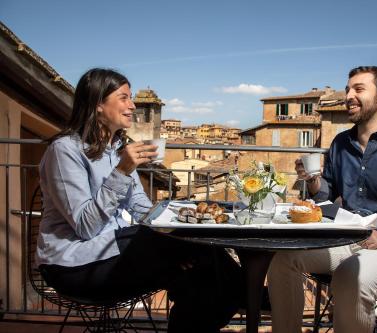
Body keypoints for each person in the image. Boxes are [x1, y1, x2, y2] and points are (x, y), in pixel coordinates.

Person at [35, 68, 243, 333]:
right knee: (196, 254)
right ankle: (248, 290)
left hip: (114, 254)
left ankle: (238, 289)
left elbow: (144, 210)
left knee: (199, 270)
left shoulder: (116, 151)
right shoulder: (64, 151)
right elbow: (86, 227)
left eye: (131, 98)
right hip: (73, 266)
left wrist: (186, 214)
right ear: (98, 104)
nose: (131, 105)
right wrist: (122, 171)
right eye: (123, 98)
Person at [267, 66, 377, 333]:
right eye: (348, 88)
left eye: (358, 89)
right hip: (345, 242)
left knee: (352, 276)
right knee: (283, 261)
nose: (348, 95)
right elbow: (327, 197)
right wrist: (313, 180)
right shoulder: (340, 143)